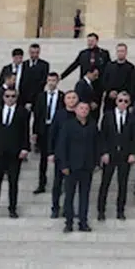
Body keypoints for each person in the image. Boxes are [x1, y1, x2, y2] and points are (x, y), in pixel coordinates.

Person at [0, 88, 29, 219]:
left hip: (15, 152)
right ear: (3, 97)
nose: (10, 98)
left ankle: (12, 208)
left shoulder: (22, 112)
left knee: (13, 182)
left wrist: (25, 148)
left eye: (13, 96)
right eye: (7, 96)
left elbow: (25, 130)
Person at [55, 100, 99, 233]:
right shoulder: (68, 125)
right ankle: (68, 222)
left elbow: (96, 145)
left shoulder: (92, 126)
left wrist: (96, 163)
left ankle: (83, 222)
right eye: (81, 108)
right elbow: (62, 146)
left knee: (84, 196)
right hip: (71, 167)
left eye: (86, 109)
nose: (84, 111)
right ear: (75, 110)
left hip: (87, 166)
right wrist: (64, 164)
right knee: (69, 196)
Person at [98, 91, 135, 221]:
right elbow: (102, 135)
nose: (123, 103)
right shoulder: (108, 115)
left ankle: (120, 210)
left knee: (123, 184)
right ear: (116, 101)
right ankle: (101, 210)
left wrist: (133, 153)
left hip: (125, 155)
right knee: (105, 183)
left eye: (126, 101)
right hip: (110, 154)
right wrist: (104, 152)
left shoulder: (133, 117)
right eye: (120, 100)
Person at [46, 91, 79, 219]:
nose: (71, 100)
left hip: (75, 155)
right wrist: (50, 152)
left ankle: (68, 208)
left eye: (73, 97)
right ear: (65, 100)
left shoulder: (80, 113)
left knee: (71, 185)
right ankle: (55, 208)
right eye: (69, 98)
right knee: (57, 183)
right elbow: (52, 134)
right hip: (60, 154)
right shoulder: (59, 114)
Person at [31, 72, 63, 194]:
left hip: (57, 130)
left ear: (57, 81)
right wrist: (35, 132)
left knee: (58, 158)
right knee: (43, 159)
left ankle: (58, 185)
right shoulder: (41, 96)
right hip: (44, 129)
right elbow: (37, 115)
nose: (51, 83)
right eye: (49, 80)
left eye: (53, 80)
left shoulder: (61, 96)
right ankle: (41, 184)